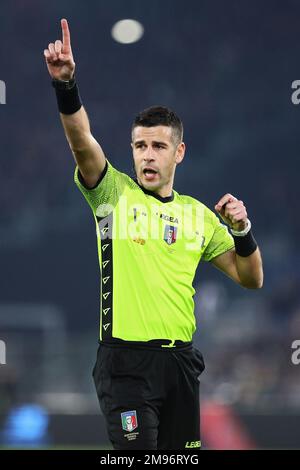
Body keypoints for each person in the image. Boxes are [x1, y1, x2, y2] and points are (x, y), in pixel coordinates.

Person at [43, 19, 263, 450]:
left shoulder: (197, 216)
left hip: (180, 364)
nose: (147, 155)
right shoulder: (111, 193)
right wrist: (66, 85)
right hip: (124, 365)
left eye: (158, 146)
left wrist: (243, 232)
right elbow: (81, 141)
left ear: (178, 152)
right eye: (140, 146)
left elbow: (251, 278)